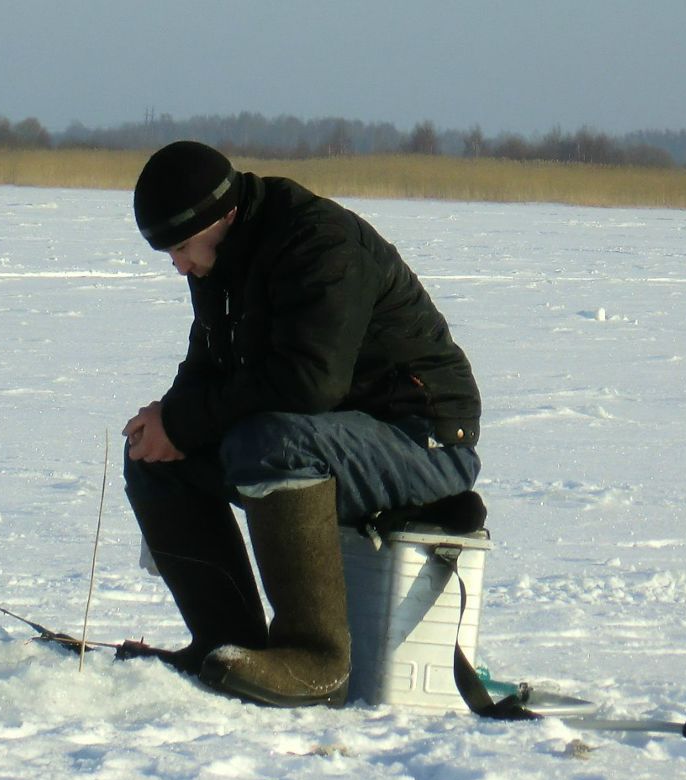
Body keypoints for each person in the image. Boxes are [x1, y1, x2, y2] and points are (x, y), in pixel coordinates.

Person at [121, 141, 482, 708]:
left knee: (270, 443)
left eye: (182, 248)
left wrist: (187, 421)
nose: (179, 265)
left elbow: (309, 383)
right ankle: (226, 646)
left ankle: (316, 659)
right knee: (157, 456)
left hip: (426, 437)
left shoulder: (319, 242)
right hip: (333, 435)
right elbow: (210, 365)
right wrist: (167, 421)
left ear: (224, 215)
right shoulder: (221, 260)